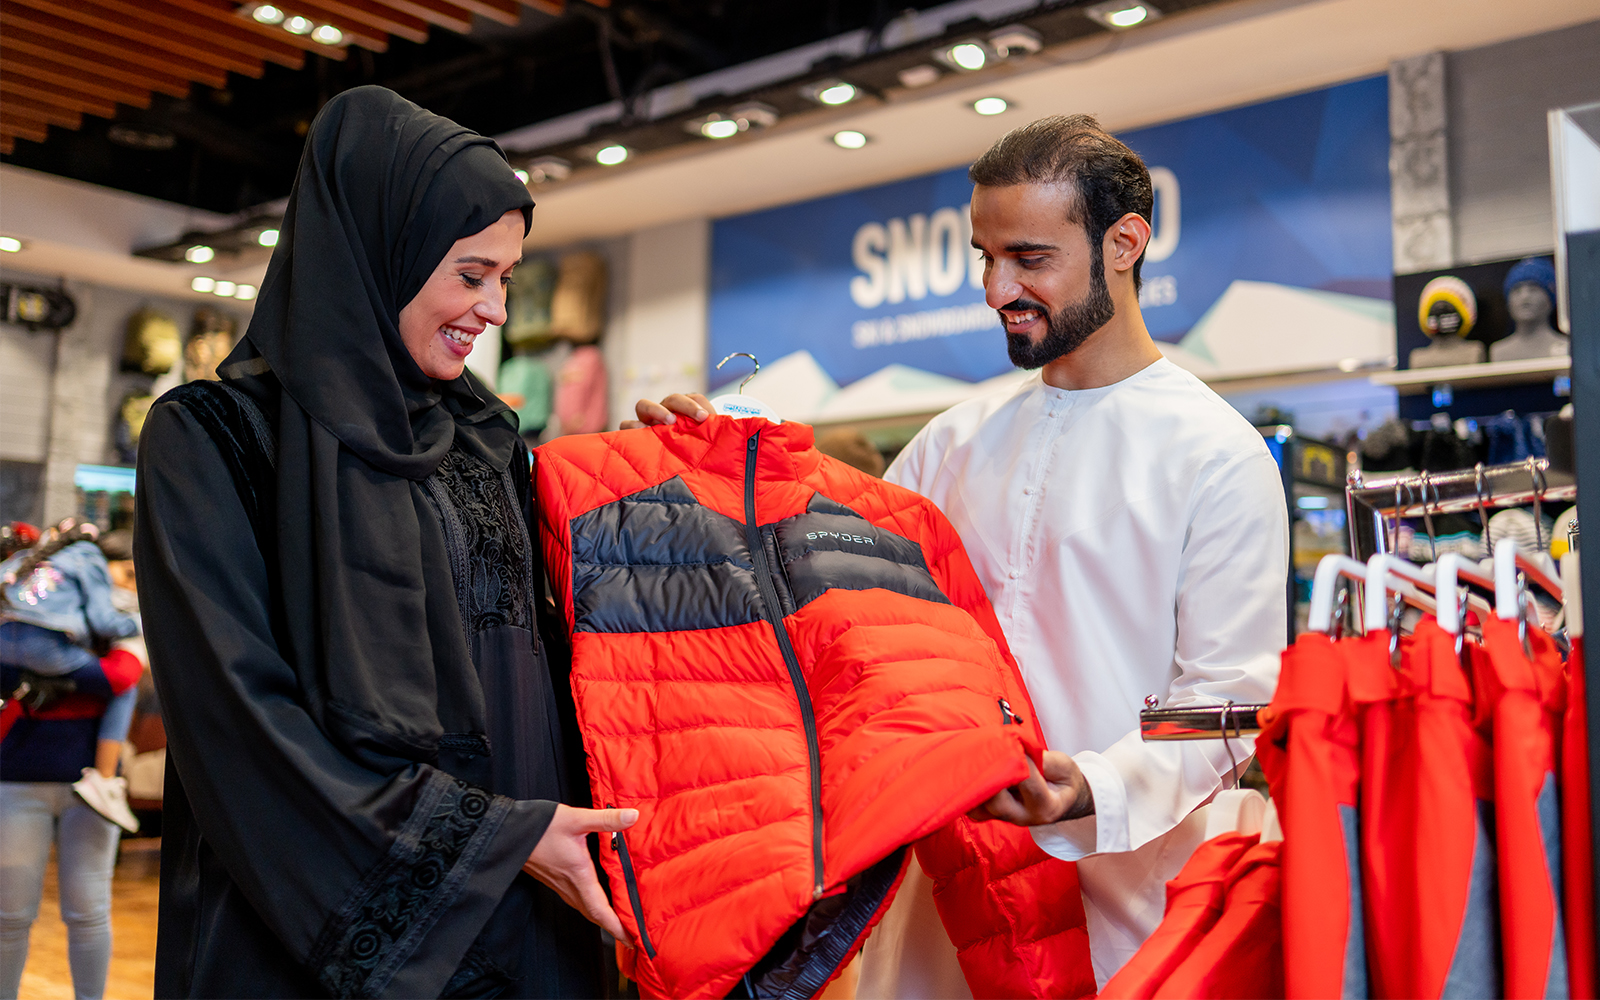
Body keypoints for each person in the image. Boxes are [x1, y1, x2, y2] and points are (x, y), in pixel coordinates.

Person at [633, 114, 1287, 992]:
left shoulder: (1217, 454)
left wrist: (1092, 783)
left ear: (1124, 244)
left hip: (1127, 914)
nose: (994, 289)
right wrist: (714, 474)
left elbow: (1223, 705)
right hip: (942, 910)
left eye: (1028, 257)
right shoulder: (953, 444)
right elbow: (822, 574)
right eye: (984, 257)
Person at [133, 86, 631, 999]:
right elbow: (234, 718)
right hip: (315, 924)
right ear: (378, 254)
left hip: (528, 914)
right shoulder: (218, 440)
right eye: (469, 274)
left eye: (507, 278)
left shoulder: (486, 441)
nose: (495, 311)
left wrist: (678, 473)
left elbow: (568, 652)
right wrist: (483, 843)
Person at [1, 626, 142, 999]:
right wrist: (89, 676)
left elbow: (125, 676)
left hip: (94, 790)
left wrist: (40, 665)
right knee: (10, 915)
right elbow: (114, 676)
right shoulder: (16, 623)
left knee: (89, 912)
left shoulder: (114, 628)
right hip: (16, 782)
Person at [1, 519, 142, 832]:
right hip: (28, 765)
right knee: (125, 688)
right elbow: (120, 674)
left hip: (6, 643)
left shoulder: (29, 562)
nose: (132, 588)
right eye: (129, 575)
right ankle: (104, 781)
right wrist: (142, 623)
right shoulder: (89, 562)